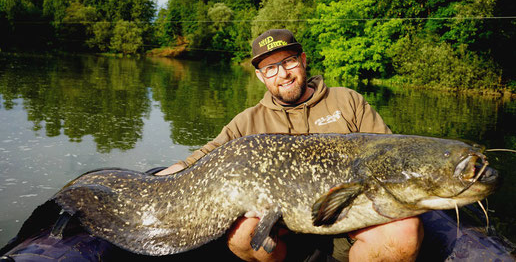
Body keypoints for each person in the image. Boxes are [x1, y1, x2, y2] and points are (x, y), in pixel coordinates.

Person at [157, 29, 423, 261]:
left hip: (350, 224)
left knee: (405, 231)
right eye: (271, 68)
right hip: (284, 231)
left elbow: (391, 154)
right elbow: (199, 161)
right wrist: (156, 183)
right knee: (241, 236)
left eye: (289, 62)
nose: (283, 74)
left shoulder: (347, 101)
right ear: (261, 77)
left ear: (303, 60)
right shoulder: (247, 122)